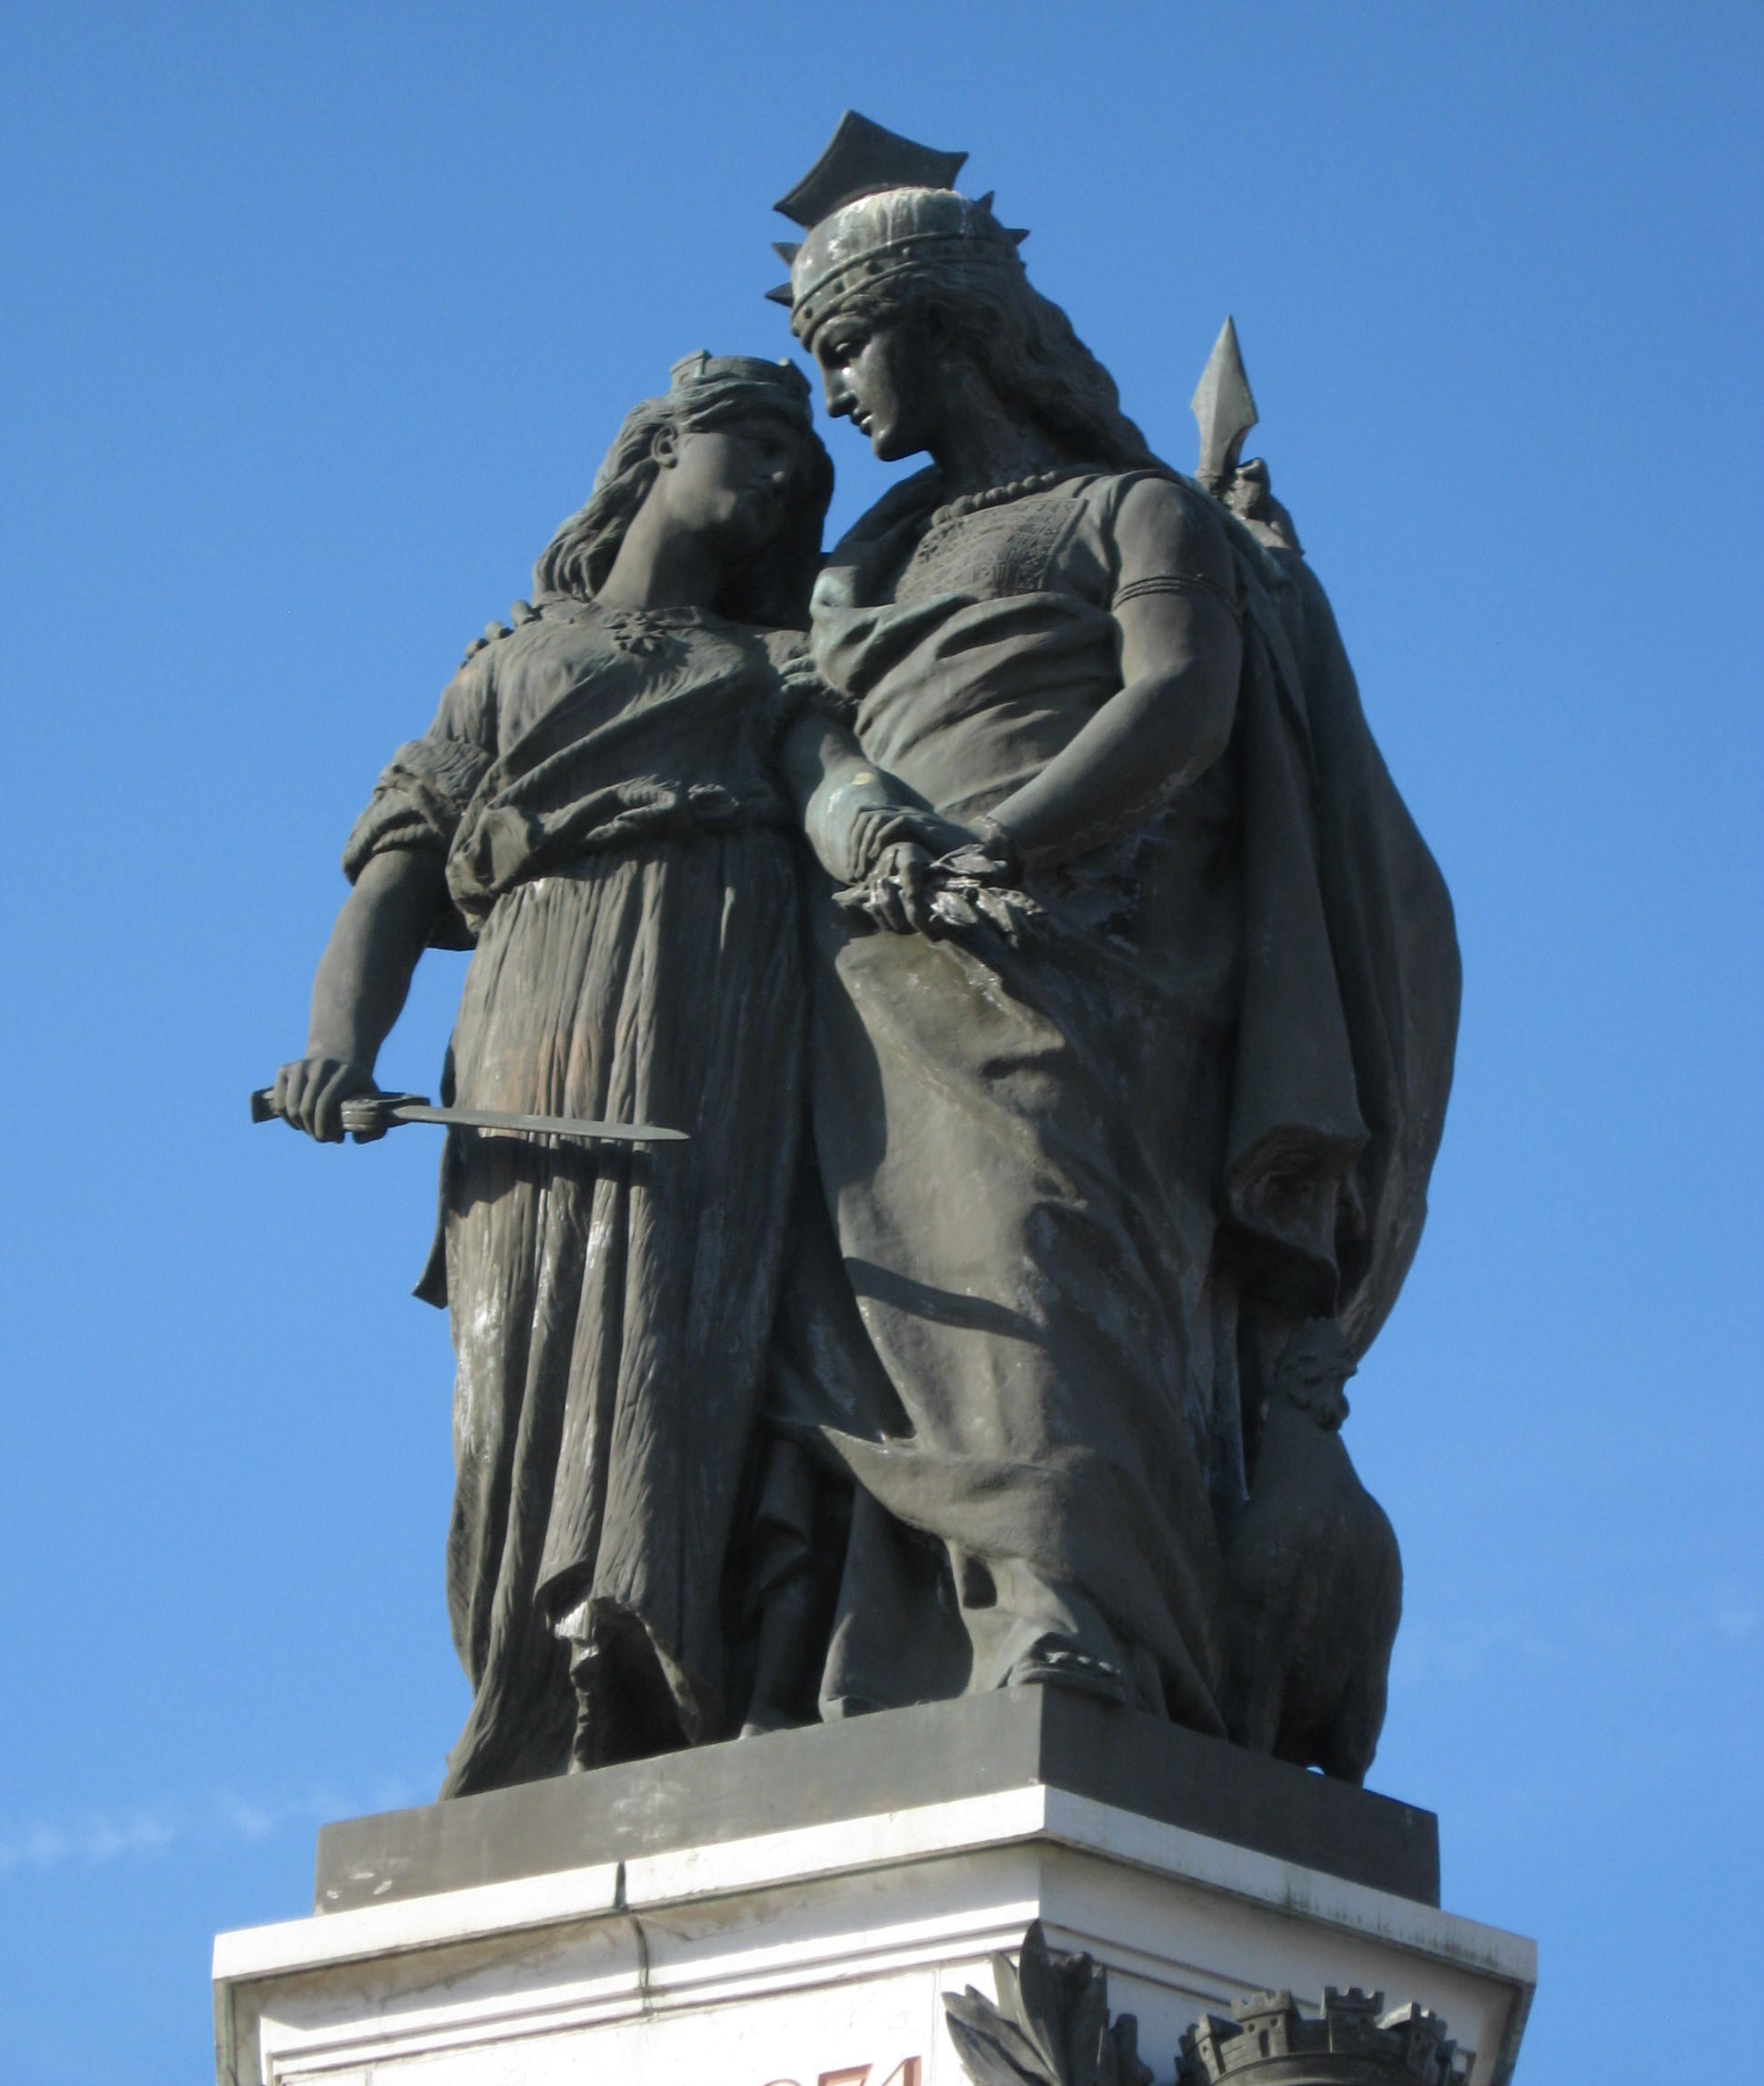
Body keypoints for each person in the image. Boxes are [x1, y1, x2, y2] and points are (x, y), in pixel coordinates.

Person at [757, 123, 1459, 1758]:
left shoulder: (1132, 513)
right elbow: (802, 715)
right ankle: (920, 1626)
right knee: (886, 1293)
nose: (838, 392)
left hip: (1083, 954)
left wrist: (1002, 846)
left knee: (1041, 1259)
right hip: (874, 953)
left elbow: (1183, 703)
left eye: (853, 346)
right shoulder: (867, 558)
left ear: (952, 325)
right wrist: (863, 823)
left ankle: (1072, 1611)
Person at [272, 352, 914, 1794]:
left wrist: (894, 834)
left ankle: (664, 1672)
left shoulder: (775, 665)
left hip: (721, 1009)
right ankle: (532, 1679)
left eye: (802, 471)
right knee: (526, 1345)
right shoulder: (506, 664)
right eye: (758, 444)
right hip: (539, 997)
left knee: (689, 1331)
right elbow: (394, 878)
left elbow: (846, 788)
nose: (782, 483)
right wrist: (336, 1049)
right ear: (658, 450)